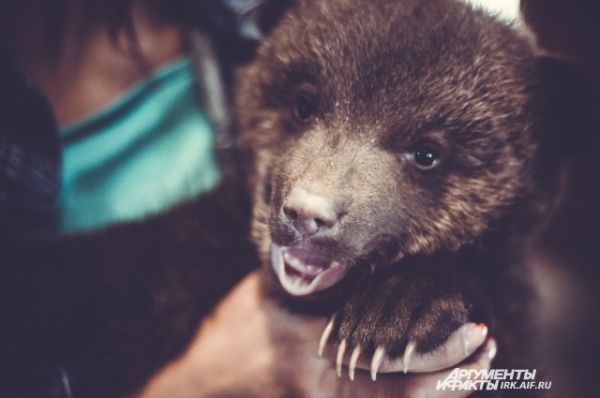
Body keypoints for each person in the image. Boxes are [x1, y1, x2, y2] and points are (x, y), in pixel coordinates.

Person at [0, 1, 492, 397]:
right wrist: (206, 377)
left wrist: (441, 286)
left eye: (425, 155)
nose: (310, 201)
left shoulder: (231, 30)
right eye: (304, 109)